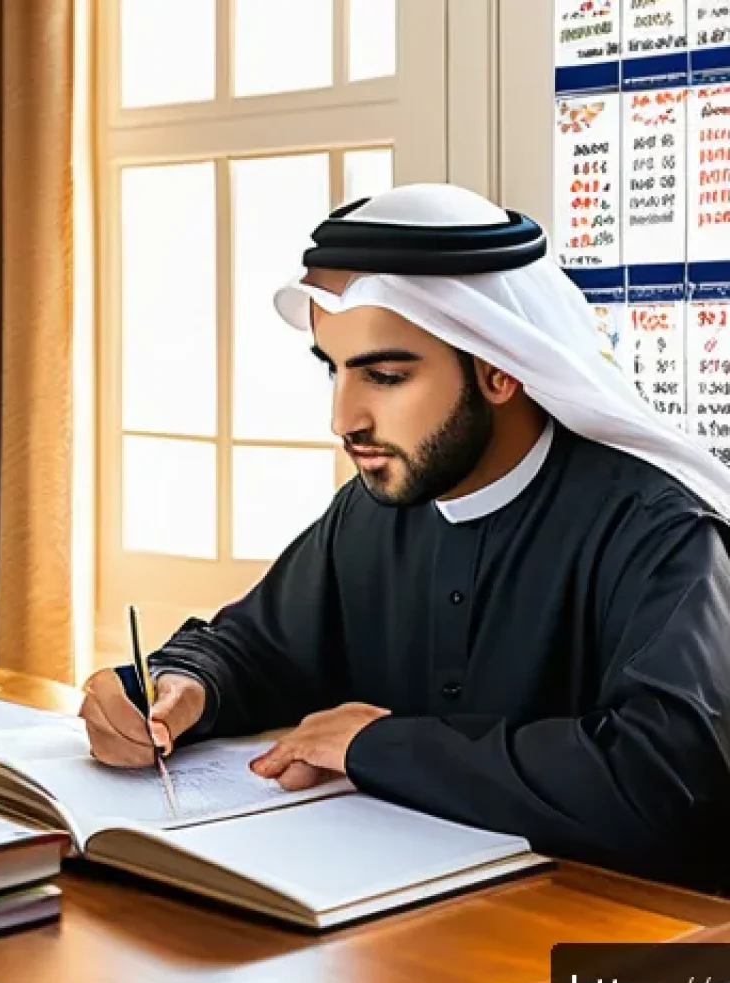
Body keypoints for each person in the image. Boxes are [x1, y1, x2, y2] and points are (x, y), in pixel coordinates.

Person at [78, 183, 730, 893]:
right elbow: (262, 647)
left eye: (385, 376)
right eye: (335, 371)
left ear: (499, 368)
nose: (344, 420)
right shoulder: (372, 511)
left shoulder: (663, 534)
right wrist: (184, 684)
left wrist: (378, 745)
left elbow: (661, 776)